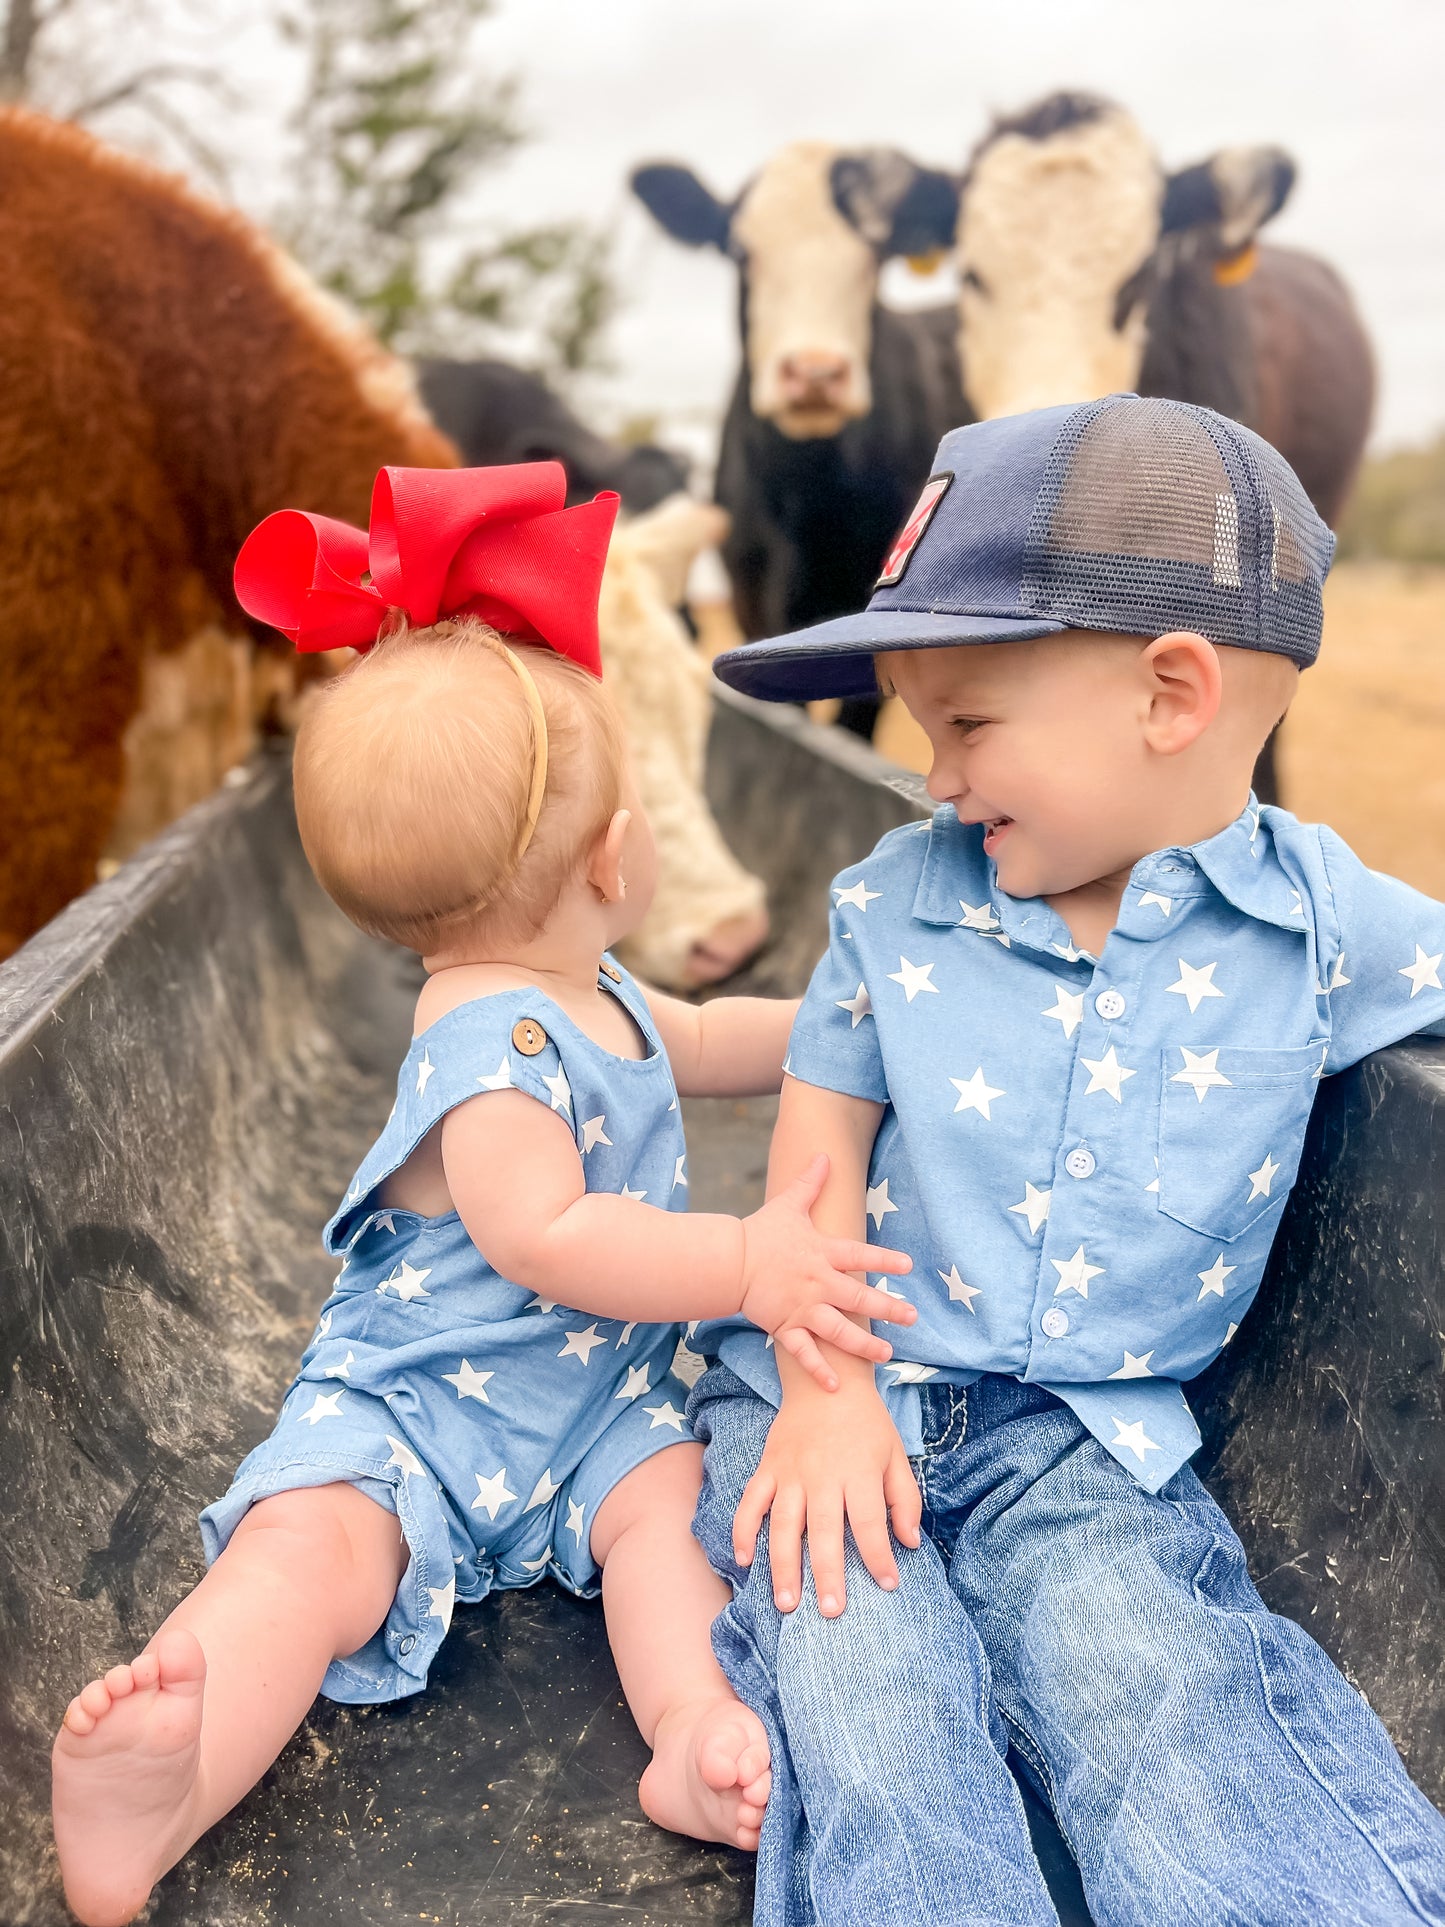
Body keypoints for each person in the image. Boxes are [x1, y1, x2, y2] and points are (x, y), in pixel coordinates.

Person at [49, 465, 916, 1927]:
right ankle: (168, 1767)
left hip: (589, 1411)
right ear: (614, 857)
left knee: (668, 1521)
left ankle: (692, 1737)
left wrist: (850, 1020)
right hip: (421, 1405)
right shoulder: (491, 1054)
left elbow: (697, 1044)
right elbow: (549, 1238)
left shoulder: (585, 986)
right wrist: (750, 1261)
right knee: (307, 1552)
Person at [693, 396, 1445, 1926]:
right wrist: (827, 1400)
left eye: (965, 725)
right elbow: (814, 1160)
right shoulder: (895, 902)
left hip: (1088, 1441)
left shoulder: (1325, 927)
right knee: (873, 1705)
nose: (935, 778)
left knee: (1161, 1689)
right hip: (838, 1387)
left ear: (1171, 693)